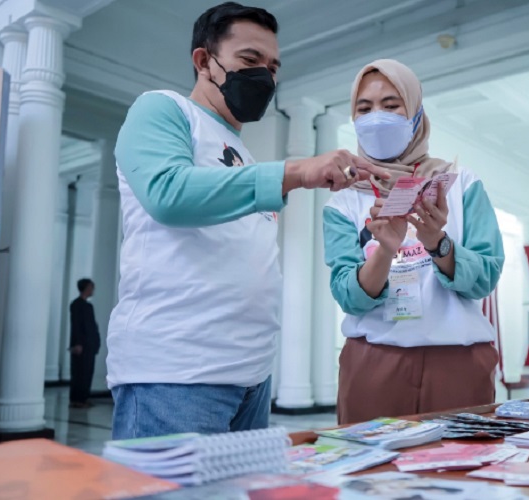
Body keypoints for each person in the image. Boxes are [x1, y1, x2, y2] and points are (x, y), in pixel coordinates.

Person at [107, 2, 387, 439]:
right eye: (250, 61)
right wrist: (294, 172)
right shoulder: (164, 110)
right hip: (176, 374)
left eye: (273, 67)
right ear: (204, 62)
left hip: (250, 376)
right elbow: (168, 194)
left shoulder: (243, 151)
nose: (266, 77)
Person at [323, 59, 505, 425]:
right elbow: (348, 295)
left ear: (416, 113)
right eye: (364, 108)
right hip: (374, 362)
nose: (377, 117)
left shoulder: (460, 183)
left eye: (391, 105)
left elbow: (485, 277)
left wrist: (437, 242)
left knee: (464, 473)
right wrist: (385, 252)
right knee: (372, 477)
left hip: (458, 361)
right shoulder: (343, 199)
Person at [69, 278, 101, 409]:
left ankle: (83, 398)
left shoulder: (88, 306)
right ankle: (77, 399)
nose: (93, 290)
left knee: (87, 372)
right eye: (91, 287)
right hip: (81, 345)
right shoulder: (76, 305)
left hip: (89, 345)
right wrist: (77, 344)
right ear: (87, 288)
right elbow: (76, 326)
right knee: (79, 372)